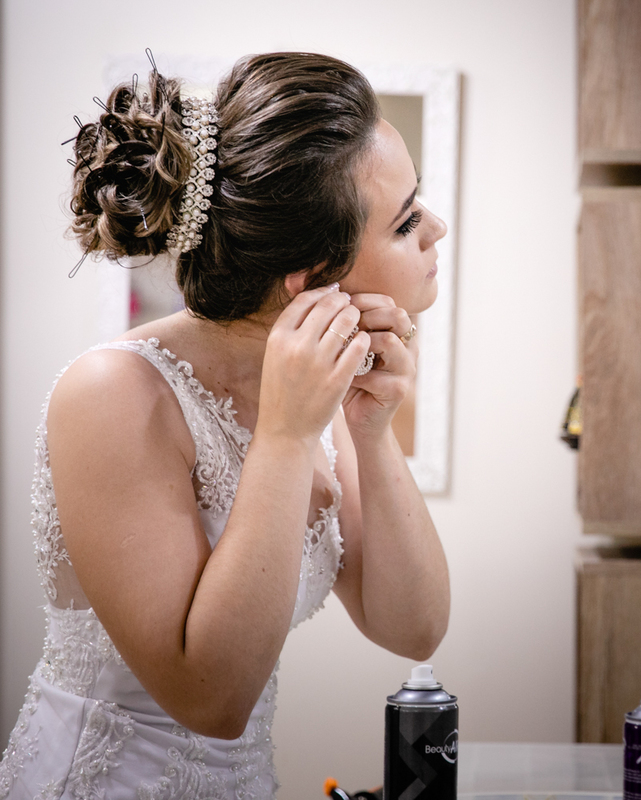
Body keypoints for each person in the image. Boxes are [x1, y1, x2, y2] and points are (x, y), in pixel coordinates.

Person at [0, 52, 451, 799]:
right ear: (310, 277)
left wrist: (372, 432)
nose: (437, 227)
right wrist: (285, 437)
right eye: (406, 221)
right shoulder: (113, 393)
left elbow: (413, 628)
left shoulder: (315, 388)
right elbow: (210, 700)